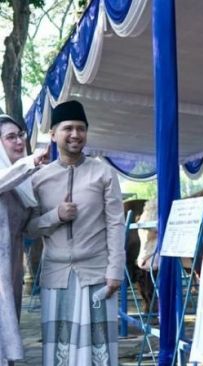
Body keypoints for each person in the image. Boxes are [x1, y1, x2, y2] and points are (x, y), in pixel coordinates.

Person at [27, 100, 125, 366]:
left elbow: (116, 224)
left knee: (99, 347)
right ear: (53, 134)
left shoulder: (103, 173)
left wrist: (115, 270)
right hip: (56, 277)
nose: (75, 134)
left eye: (81, 128)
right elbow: (30, 228)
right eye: (68, 128)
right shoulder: (39, 178)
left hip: (97, 274)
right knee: (61, 348)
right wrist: (56, 215)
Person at [0, 114, 49, 365]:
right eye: (11, 137)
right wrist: (31, 162)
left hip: (11, 271)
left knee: (8, 333)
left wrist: (57, 216)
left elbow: (31, 229)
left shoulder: (26, 181)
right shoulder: (12, 174)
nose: (19, 141)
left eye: (21, 135)